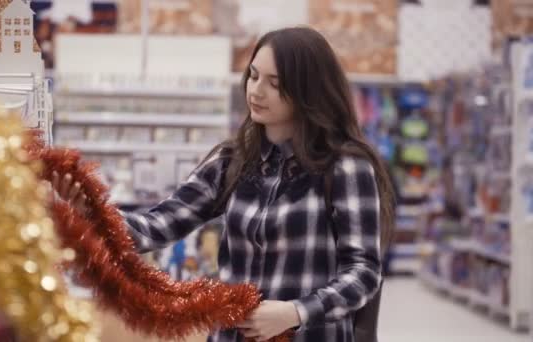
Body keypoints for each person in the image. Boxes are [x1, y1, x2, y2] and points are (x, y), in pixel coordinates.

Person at [53, 26, 395, 342]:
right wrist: (91, 209)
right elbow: (159, 224)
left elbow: (364, 272)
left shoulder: (345, 167)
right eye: (254, 76)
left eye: (275, 83)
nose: (256, 91)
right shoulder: (234, 160)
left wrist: (294, 312)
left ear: (307, 91)